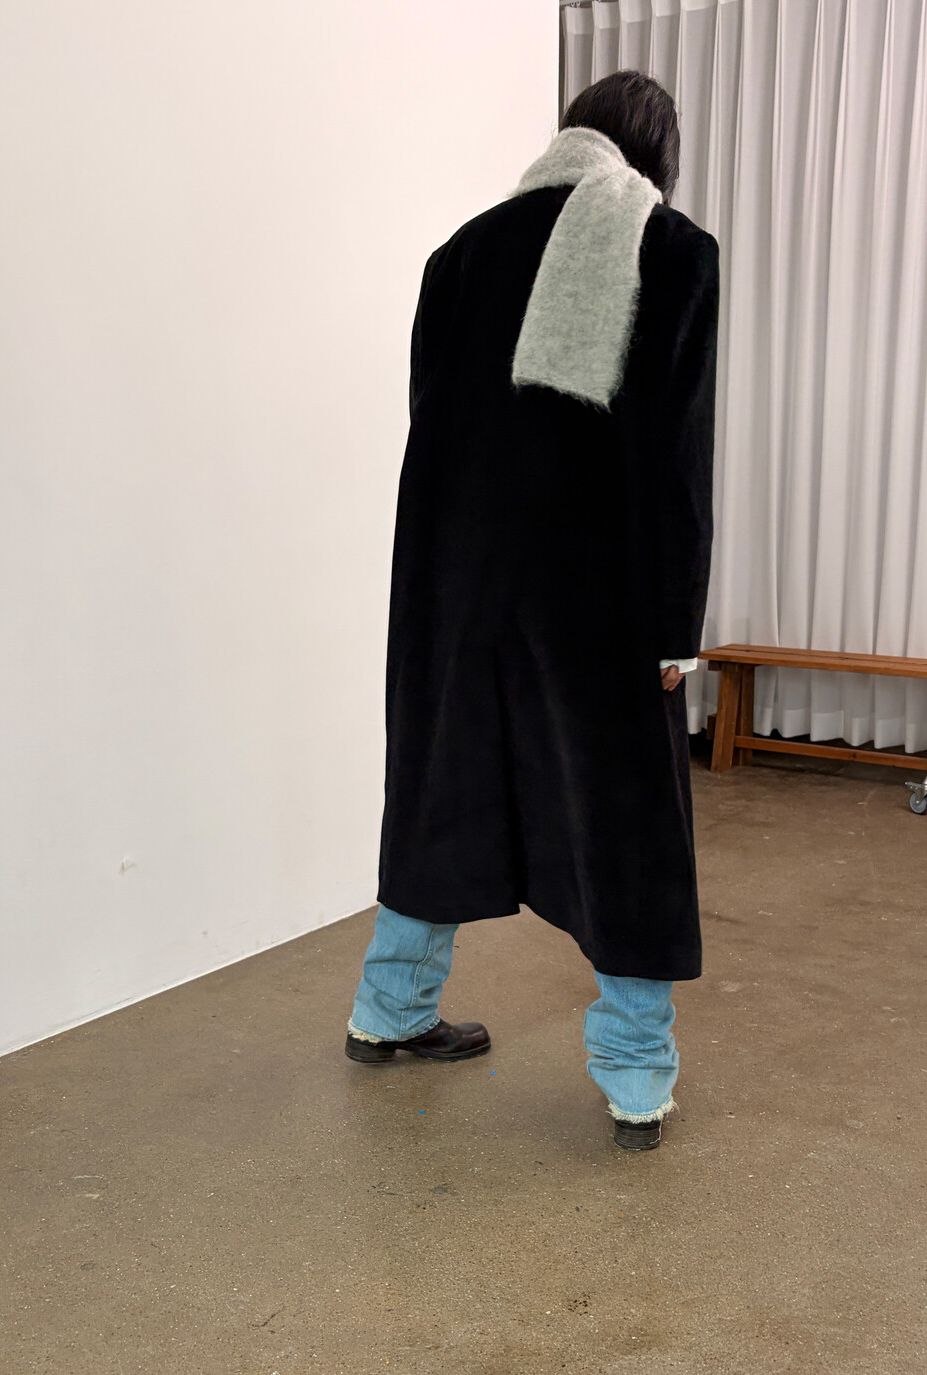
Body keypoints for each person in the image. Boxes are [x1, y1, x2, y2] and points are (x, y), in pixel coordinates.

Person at [345, 71, 720, 1152]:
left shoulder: (460, 255)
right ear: (657, 154)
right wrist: (676, 627)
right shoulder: (670, 248)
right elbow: (676, 457)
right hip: (594, 596)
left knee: (440, 783)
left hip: (454, 579)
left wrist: (432, 588)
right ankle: (635, 1078)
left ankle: (388, 1009)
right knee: (627, 818)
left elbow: (431, 424)